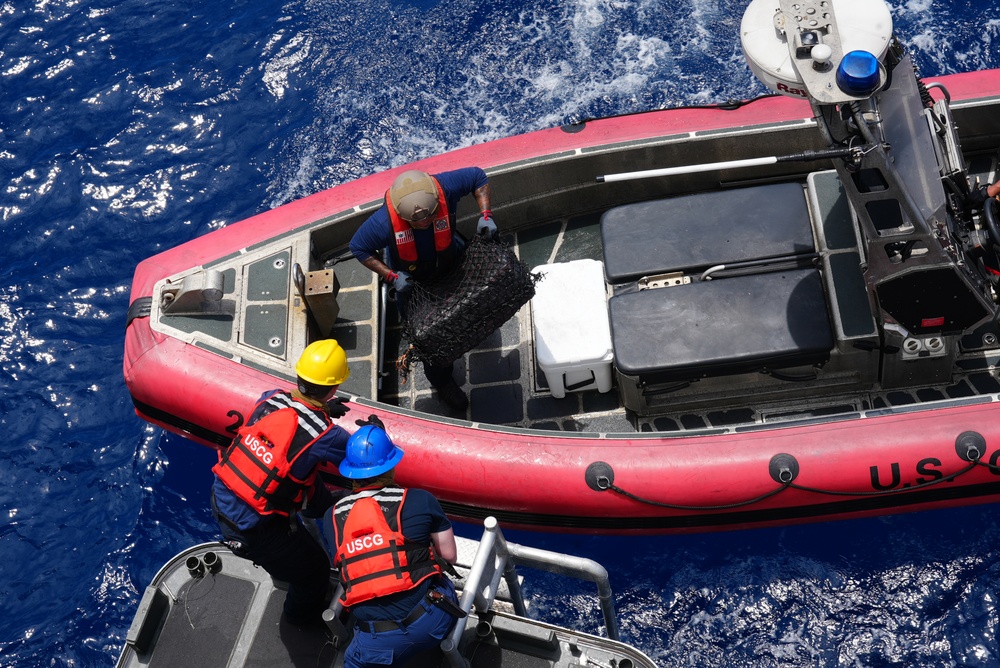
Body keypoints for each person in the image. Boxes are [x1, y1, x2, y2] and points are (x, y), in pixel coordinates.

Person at [210, 338, 352, 627]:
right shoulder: (328, 436)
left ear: (299, 377)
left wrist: (322, 407)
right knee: (314, 570)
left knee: (315, 497)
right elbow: (363, 458)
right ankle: (300, 617)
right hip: (256, 529)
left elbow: (293, 419)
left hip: (221, 498)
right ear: (334, 388)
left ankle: (286, 556)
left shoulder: (270, 398)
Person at [349, 167, 497, 411]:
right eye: (416, 221)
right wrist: (391, 275)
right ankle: (442, 381)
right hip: (414, 284)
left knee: (473, 307)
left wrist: (486, 215)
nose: (425, 222)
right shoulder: (382, 222)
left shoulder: (446, 187)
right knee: (432, 341)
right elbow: (359, 248)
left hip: (450, 261)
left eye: (429, 216)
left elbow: (478, 177)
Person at [326, 425, 462, 668]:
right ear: (391, 465)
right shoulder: (420, 499)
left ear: (351, 472)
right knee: (443, 581)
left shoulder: (332, 516)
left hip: (376, 642)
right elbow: (449, 556)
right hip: (431, 623)